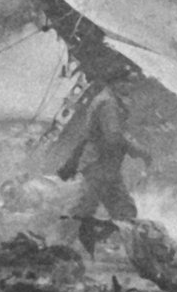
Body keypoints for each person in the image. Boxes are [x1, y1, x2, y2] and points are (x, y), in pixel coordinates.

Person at [59, 67, 152, 253]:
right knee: (86, 210)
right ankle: (58, 247)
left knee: (123, 210)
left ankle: (120, 250)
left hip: (104, 166)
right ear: (116, 82)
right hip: (99, 165)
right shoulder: (109, 104)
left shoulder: (109, 100)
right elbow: (113, 136)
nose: (130, 86)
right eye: (127, 82)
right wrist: (138, 150)